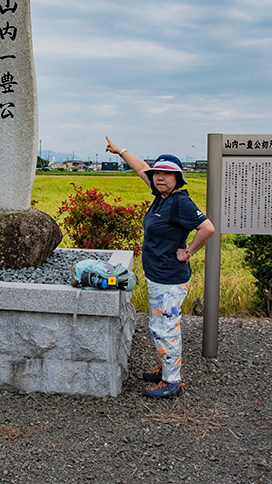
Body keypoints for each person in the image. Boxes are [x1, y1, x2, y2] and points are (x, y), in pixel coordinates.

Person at [105, 137, 215, 399]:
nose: (160, 178)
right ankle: (165, 366)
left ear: (178, 179)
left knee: (166, 328)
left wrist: (188, 252)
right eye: (158, 174)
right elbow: (141, 167)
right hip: (158, 276)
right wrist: (120, 151)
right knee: (158, 325)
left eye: (167, 174)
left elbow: (207, 228)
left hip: (169, 279)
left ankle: (172, 381)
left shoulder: (180, 202)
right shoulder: (161, 196)